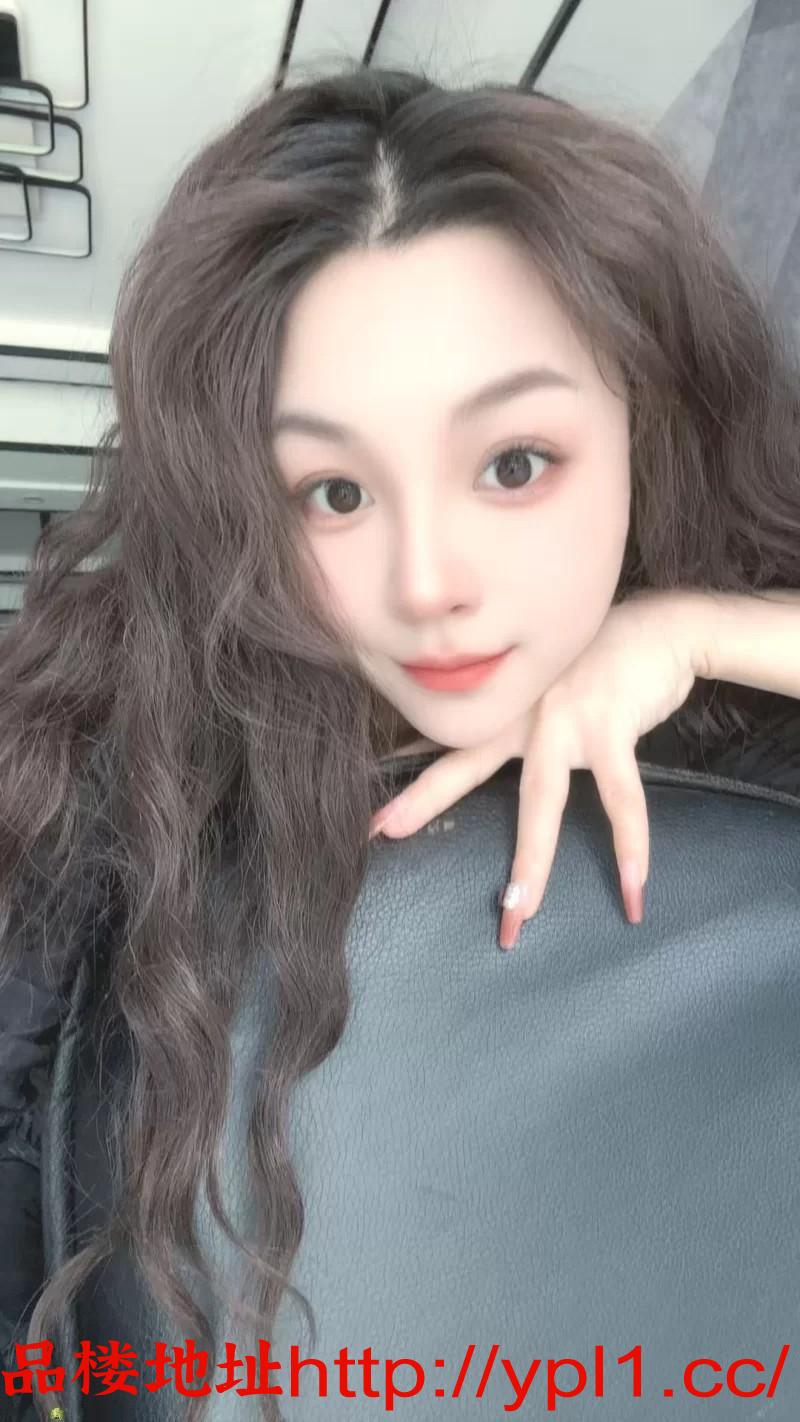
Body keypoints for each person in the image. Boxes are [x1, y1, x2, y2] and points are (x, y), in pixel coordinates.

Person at [2, 61, 800, 1422]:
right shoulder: (118, 759)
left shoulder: (744, 731)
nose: (428, 583)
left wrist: (706, 632)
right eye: (333, 492)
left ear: (646, 423)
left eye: (514, 465)